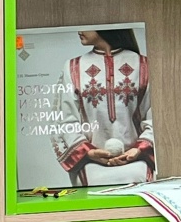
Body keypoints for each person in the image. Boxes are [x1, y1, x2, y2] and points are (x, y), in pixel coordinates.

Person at [54, 28, 154, 186]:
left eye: (86, 24)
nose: (80, 30)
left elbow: (156, 116)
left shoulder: (144, 65)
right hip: (90, 168)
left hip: (138, 165)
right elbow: (64, 120)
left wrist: (139, 149)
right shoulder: (72, 68)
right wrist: (89, 152)